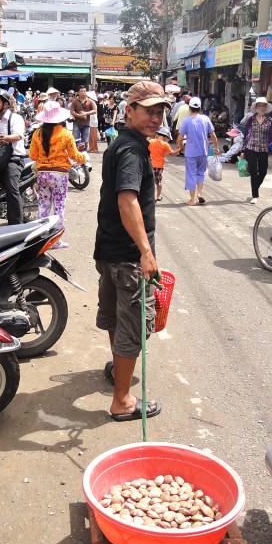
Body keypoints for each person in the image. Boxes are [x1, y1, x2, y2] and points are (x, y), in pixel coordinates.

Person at [94, 80, 168, 422]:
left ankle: (116, 369)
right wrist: (146, 251)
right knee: (135, 324)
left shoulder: (122, 144)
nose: (154, 118)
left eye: (159, 112)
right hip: (126, 255)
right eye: (148, 111)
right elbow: (127, 200)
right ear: (129, 110)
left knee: (117, 316)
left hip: (109, 249)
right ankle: (122, 400)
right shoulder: (133, 151)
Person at [28, 99, 86, 248]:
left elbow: (33, 156)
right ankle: (55, 241)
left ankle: (40, 240)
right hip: (59, 175)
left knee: (43, 206)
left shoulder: (37, 133)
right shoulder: (66, 134)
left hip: (42, 174)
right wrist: (84, 157)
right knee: (59, 207)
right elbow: (74, 155)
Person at [0, 88, 27, 225]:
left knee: (12, 188)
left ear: (5, 104)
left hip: (14, 159)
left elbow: (18, 136)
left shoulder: (16, 118)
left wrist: (5, 138)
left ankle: (16, 225)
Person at [176, 96, 219, 205]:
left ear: (189, 108)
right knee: (200, 173)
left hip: (191, 152)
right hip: (203, 151)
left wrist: (179, 146)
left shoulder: (186, 121)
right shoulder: (205, 119)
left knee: (191, 174)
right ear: (200, 108)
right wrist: (216, 147)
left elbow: (180, 138)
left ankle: (192, 199)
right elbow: (213, 135)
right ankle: (200, 193)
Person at [240, 96, 272, 204]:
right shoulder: (251, 119)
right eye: (260, 106)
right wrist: (243, 150)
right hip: (251, 147)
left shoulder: (270, 120)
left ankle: (255, 187)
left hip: (263, 149)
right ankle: (255, 195)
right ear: (256, 107)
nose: (261, 108)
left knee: (263, 171)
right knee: (253, 171)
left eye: (263, 106)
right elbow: (246, 134)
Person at [148, 125, 177, 201]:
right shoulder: (165, 144)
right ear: (165, 137)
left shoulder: (151, 141)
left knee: (149, 181)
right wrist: (179, 149)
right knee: (158, 182)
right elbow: (172, 153)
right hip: (159, 166)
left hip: (150, 165)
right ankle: (158, 196)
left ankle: (149, 196)